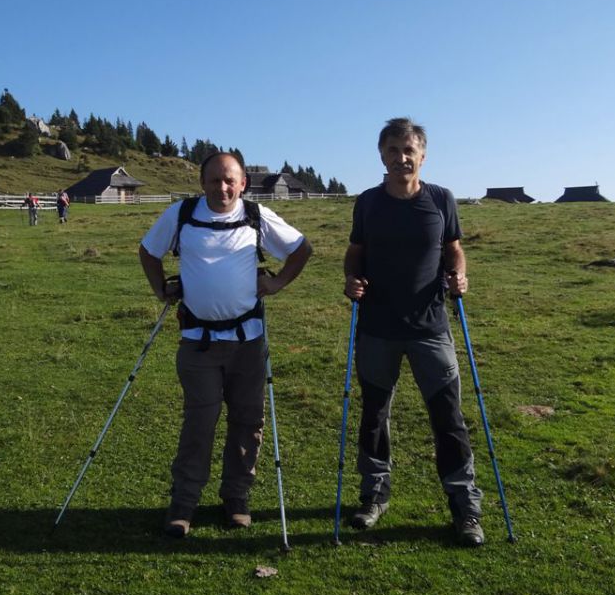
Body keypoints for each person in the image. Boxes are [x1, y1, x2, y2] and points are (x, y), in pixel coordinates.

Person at [139, 152, 312, 538]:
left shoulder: (255, 216)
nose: (223, 188)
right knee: (199, 423)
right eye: (215, 180)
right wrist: (159, 290)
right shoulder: (181, 215)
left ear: (243, 183)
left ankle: (237, 499)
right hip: (197, 344)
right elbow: (149, 251)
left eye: (230, 180)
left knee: (247, 423)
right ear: (202, 182)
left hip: (249, 344)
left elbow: (301, 249)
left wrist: (277, 283)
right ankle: (183, 505)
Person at [343, 117, 484, 546]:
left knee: (448, 418)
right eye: (393, 150)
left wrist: (459, 276)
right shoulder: (367, 203)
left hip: (430, 328)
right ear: (381, 155)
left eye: (409, 150)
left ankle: (465, 508)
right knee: (374, 416)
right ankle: (374, 495)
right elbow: (355, 253)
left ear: (422, 155)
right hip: (377, 328)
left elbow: (454, 251)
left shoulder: (441, 200)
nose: (401, 158)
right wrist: (352, 281)